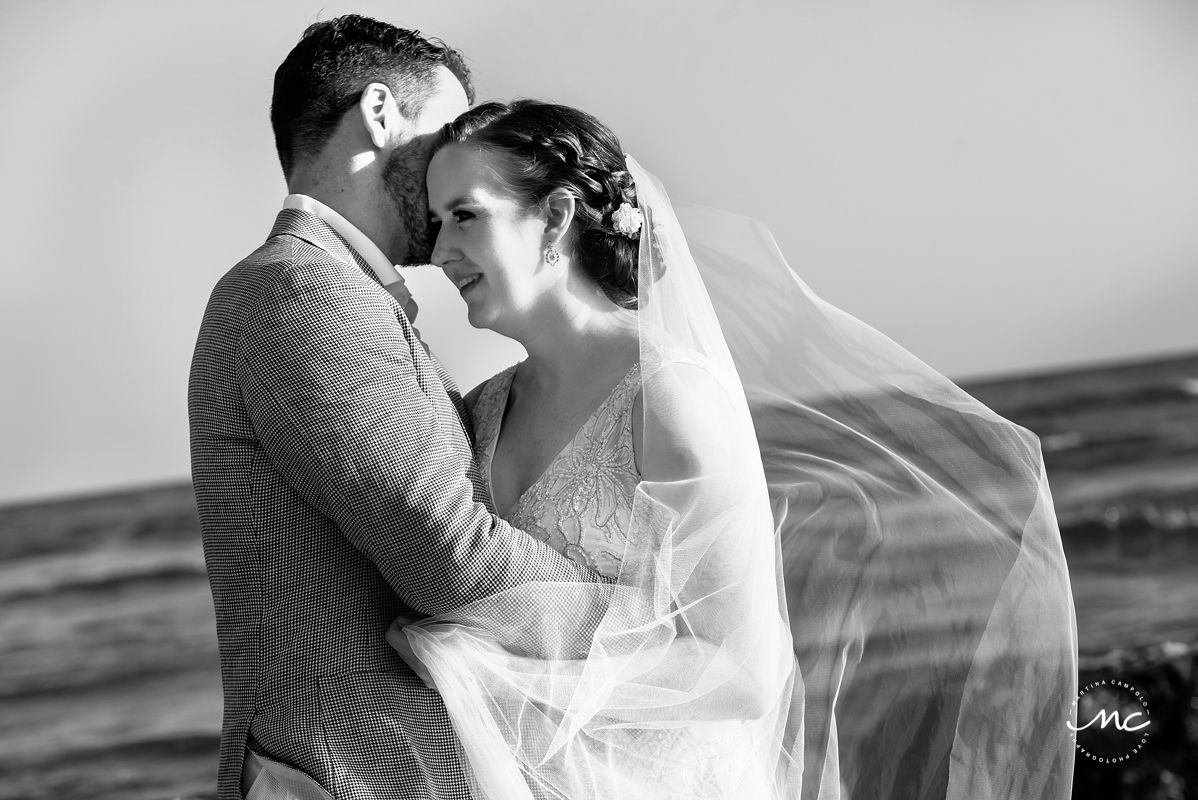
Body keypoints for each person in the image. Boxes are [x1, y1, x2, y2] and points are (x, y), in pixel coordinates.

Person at [388, 101, 1079, 799]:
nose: (441, 252)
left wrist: (494, 681)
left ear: (558, 217)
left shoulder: (665, 398)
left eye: (466, 215)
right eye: (438, 222)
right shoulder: (482, 405)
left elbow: (740, 672)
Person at [188, 19, 608, 800]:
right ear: (380, 113)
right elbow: (451, 555)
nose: (460, 165)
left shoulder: (333, 291)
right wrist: (650, 620)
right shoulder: (299, 292)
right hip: (347, 772)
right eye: (447, 131)